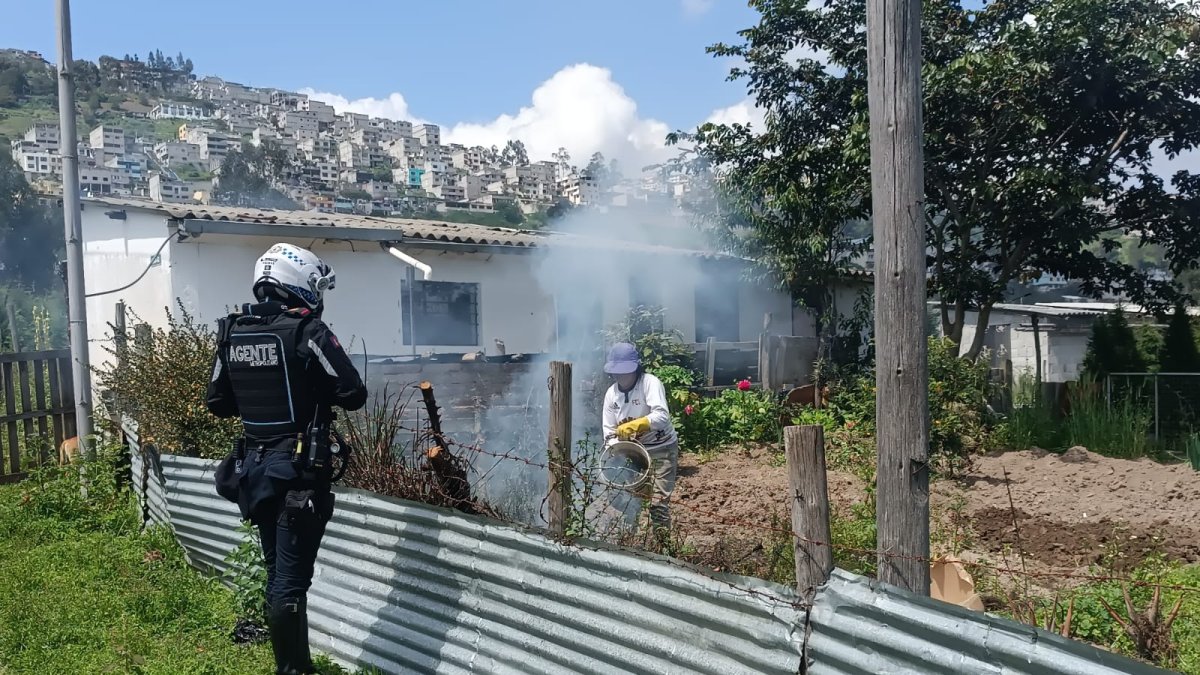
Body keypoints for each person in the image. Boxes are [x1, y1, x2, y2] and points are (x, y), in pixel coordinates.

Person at [207, 243, 367, 675]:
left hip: (253, 470)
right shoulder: (306, 331)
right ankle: (292, 671)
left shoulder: (232, 331)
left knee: (278, 571)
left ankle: (300, 666)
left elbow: (218, 403)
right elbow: (353, 393)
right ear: (298, 284)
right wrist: (311, 388)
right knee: (291, 583)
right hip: (298, 474)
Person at [601, 342, 679, 530]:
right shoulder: (612, 394)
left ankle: (663, 547)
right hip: (631, 453)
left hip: (661, 448)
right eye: (617, 371)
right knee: (625, 499)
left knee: (658, 504)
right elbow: (609, 431)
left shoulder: (650, 383)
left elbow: (661, 416)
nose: (621, 375)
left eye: (625, 371)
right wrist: (616, 449)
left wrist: (638, 424)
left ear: (636, 368)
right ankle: (631, 540)